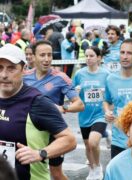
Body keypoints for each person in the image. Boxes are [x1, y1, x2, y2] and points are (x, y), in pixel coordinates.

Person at [0, 44, 76, 180]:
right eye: (0, 68)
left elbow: (70, 140)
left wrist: (40, 153)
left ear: (23, 69)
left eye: (11, 68)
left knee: (57, 174)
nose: (4, 75)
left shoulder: (37, 102)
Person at [23, 40, 84, 180]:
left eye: (49, 55)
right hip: (30, 131)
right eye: (42, 55)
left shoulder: (60, 77)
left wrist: (63, 108)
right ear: (33, 56)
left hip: (54, 132)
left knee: (56, 173)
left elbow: (80, 105)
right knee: (27, 170)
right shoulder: (24, 76)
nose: (46, 59)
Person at [73, 46, 109, 180]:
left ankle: (98, 167)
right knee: (88, 146)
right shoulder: (79, 74)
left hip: (100, 114)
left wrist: (107, 101)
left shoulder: (106, 74)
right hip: (84, 115)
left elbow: (110, 96)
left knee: (93, 143)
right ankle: (92, 169)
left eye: (91, 56)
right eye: (86, 56)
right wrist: (75, 93)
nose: (88, 58)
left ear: (99, 58)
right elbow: (72, 95)